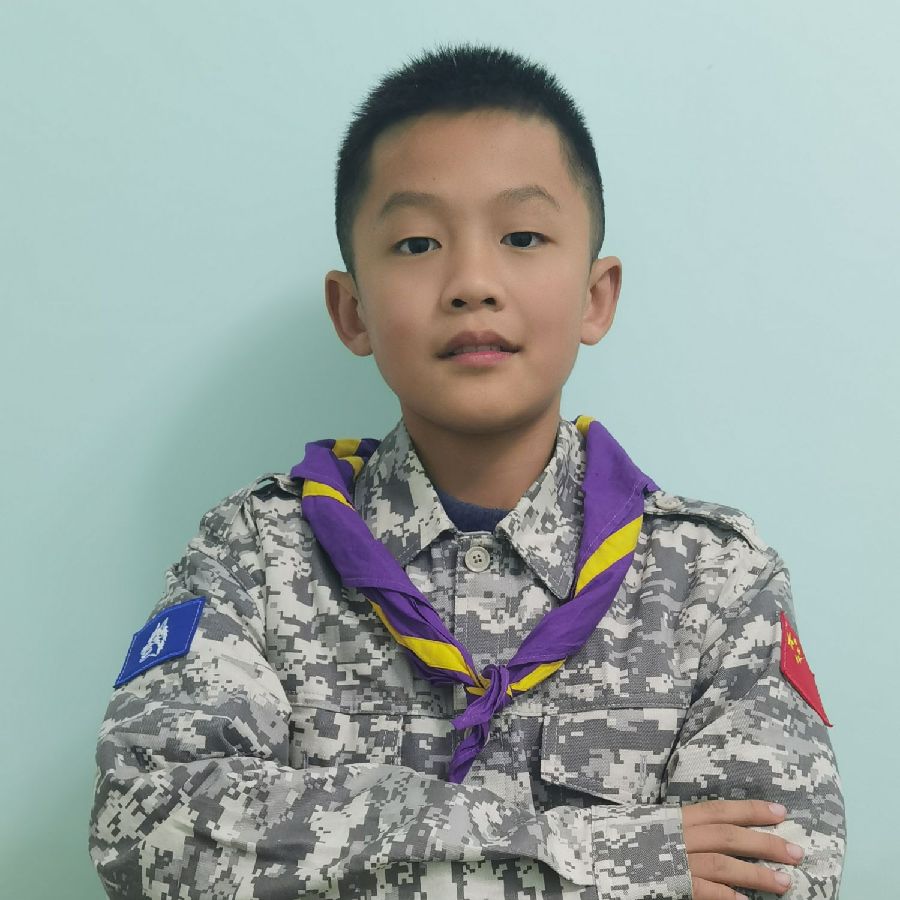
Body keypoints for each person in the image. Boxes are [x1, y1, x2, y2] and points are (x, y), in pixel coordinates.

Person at [88, 42, 845, 900]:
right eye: (417, 243)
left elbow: (780, 872)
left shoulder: (713, 581)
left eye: (522, 236)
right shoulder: (257, 557)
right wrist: (601, 856)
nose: (473, 282)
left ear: (596, 296)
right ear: (352, 310)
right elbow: (147, 831)